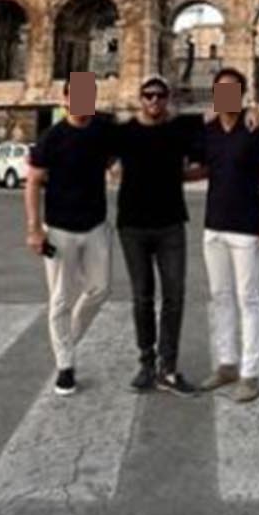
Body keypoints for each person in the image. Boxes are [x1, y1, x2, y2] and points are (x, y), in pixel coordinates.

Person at [24, 72, 119, 396]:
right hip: (60, 228)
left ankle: (68, 340)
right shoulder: (51, 137)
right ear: (65, 100)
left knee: (100, 289)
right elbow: (33, 182)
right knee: (61, 298)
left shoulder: (104, 130)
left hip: (95, 224)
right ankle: (65, 365)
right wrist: (34, 229)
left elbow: (123, 150)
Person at [111, 74, 202, 396]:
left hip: (170, 224)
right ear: (140, 98)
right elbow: (90, 149)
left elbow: (207, 158)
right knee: (142, 297)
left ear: (167, 99)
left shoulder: (179, 130)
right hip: (132, 226)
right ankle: (147, 363)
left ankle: (169, 367)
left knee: (174, 296)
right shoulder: (123, 133)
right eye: (148, 95)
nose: (154, 101)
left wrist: (179, 178)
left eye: (159, 96)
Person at [197, 67, 259, 404]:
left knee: (248, 299)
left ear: (243, 94)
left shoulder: (257, 131)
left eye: (232, 90)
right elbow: (203, 167)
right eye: (220, 90)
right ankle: (227, 364)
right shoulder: (209, 130)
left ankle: (250, 373)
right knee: (220, 297)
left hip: (247, 228)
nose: (225, 96)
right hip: (213, 226)